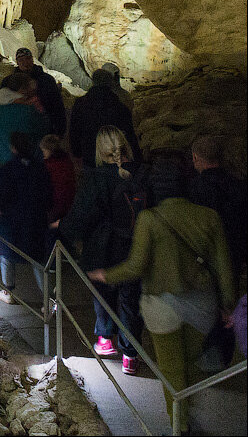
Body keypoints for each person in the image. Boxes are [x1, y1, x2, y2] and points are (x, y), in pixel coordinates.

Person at [89, 157, 236, 435]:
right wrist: (229, 304)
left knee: (171, 369)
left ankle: (179, 426)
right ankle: (186, 414)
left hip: (161, 306)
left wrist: (106, 275)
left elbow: (136, 266)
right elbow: (223, 267)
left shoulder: (149, 218)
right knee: (189, 363)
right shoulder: (209, 216)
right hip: (202, 306)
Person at [56, 126, 146, 374]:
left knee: (103, 294)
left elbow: (83, 216)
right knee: (130, 300)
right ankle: (130, 354)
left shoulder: (96, 179)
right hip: (133, 247)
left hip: (102, 249)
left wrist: (63, 227)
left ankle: (105, 340)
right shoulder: (139, 175)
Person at [0, 131, 51, 305]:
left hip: (11, 224)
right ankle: (49, 301)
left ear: (13, 148)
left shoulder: (6, 171)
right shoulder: (40, 169)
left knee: (6, 255)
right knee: (38, 260)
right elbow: (48, 197)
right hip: (36, 222)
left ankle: (8, 290)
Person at [188, 135, 246, 281]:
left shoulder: (194, 187)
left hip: (208, 256)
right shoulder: (237, 184)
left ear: (195, 157)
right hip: (236, 251)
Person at [68, 66, 141, 168]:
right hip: (114, 157)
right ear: (110, 83)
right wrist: (137, 159)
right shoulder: (118, 106)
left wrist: (77, 154)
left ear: (93, 81)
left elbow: (74, 131)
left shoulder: (80, 104)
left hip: (89, 154)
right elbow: (129, 134)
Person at [0, 72, 50, 165]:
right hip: (25, 159)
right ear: (22, 90)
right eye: (30, 86)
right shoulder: (26, 110)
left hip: (3, 156)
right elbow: (43, 128)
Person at [14, 47, 68, 136]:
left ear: (32, 59)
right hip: (21, 131)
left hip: (44, 128)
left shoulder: (46, 80)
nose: (25, 63)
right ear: (17, 62)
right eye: (21, 60)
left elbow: (57, 105)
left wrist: (60, 130)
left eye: (28, 59)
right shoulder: (11, 82)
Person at [41, 134, 77, 228]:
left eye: (44, 149)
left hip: (54, 205)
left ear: (50, 149)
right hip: (68, 204)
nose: (43, 152)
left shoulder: (47, 165)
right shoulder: (67, 161)